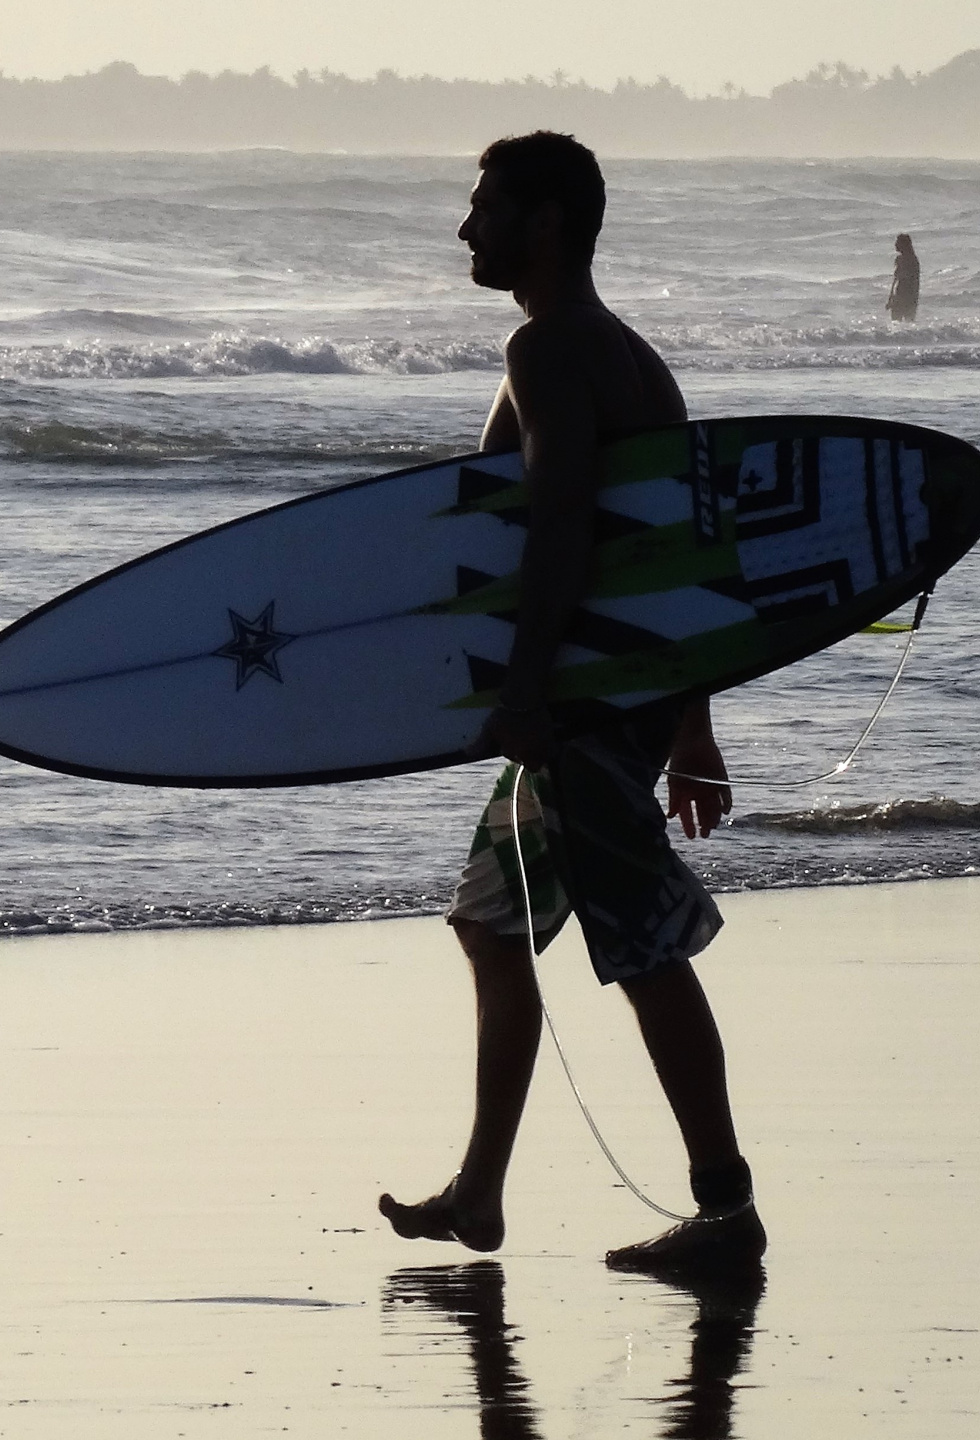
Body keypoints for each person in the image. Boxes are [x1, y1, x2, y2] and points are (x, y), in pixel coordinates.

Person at [378, 131, 765, 1276]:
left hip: (585, 703)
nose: (466, 226)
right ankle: (481, 1193)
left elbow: (556, 533)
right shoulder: (624, 356)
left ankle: (726, 1211)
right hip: (614, 695)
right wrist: (693, 724)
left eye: (484, 204)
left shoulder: (550, 351)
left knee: (644, 950)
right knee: (489, 925)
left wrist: (533, 694)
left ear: (542, 222)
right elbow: (678, 556)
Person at [887, 233, 920, 321]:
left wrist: (914, 300)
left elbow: (915, 280)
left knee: (908, 322)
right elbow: (895, 280)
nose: (895, 244)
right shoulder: (899, 259)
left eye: (898, 242)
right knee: (895, 322)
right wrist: (890, 298)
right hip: (899, 294)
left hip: (908, 295)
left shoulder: (912, 260)